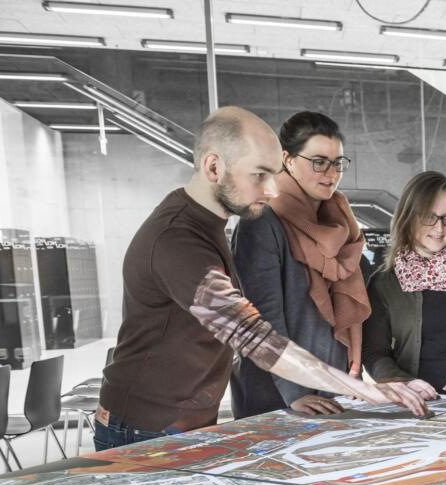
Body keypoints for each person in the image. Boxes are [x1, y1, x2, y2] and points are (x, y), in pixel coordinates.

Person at [95, 106, 428, 451]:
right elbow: (254, 336)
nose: (272, 190)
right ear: (213, 167)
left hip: (180, 420)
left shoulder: (206, 222)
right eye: (259, 175)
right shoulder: (178, 240)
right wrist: (367, 390)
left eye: (273, 174)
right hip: (145, 426)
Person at [231, 111, 416, 418]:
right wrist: (295, 392)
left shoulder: (340, 221)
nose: (331, 173)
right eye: (318, 162)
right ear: (288, 160)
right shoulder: (262, 220)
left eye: (337, 162)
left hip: (332, 389)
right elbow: (262, 317)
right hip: (279, 395)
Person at [363, 171, 446, 398]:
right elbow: (373, 353)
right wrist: (403, 383)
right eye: (428, 217)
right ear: (408, 218)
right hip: (414, 404)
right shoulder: (384, 283)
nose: (439, 229)